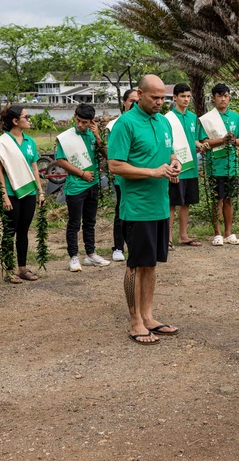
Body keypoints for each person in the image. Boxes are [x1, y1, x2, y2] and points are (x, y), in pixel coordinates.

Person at [107, 75, 181, 345]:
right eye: (155, 97)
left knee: (150, 264)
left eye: (163, 98)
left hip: (160, 205)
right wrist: (152, 172)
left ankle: (148, 317)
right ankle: (135, 321)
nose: (160, 102)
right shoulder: (125, 124)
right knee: (136, 264)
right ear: (140, 94)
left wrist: (175, 162)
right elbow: (115, 166)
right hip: (137, 207)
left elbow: (169, 153)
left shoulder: (163, 122)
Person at [0, 105, 45, 283]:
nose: (29, 120)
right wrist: (4, 195)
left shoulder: (30, 142)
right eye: (26, 117)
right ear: (15, 121)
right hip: (11, 192)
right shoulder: (2, 143)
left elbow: (34, 168)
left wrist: (40, 191)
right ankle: (9, 270)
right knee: (9, 231)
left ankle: (22, 268)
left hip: (29, 191)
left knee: (23, 231)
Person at [56, 103, 111, 272]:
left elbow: (107, 155)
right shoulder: (66, 137)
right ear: (75, 117)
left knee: (90, 221)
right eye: (78, 120)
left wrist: (97, 136)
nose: (80, 125)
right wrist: (81, 173)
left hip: (92, 184)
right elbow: (61, 161)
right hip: (75, 186)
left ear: (91, 122)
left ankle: (91, 254)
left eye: (85, 122)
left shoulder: (93, 135)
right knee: (74, 223)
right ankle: (73, 256)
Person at [197, 82, 239, 246]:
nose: (223, 99)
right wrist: (221, 140)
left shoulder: (236, 117)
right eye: (219, 96)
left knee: (229, 199)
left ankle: (228, 233)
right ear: (213, 98)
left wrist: (233, 140)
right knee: (216, 199)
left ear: (229, 97)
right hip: (215, 165)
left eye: (226, 96)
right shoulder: (207, 119)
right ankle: (217, 233)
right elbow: (204, 142)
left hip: (231, 166)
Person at [166, 83, 204, 247]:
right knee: (172, 204)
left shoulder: (193, 117)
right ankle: (167, 239)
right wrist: (172, 169)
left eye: (188, 96)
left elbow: (194, 139)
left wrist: (201, 145)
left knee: (186, 202)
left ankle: (183, 236)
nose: (186, 99)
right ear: (175, 97)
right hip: (177, 167)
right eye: (183, 96)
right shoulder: (167, 119)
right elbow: (166, 144)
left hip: (191, 167)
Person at [109, 88, 140, 261]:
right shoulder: (117, 124)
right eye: (131, 101)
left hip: (141, 177)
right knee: (121, 212)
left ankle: (136, 246)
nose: (135, 104)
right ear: (124, 103)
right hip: (123, 178)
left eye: (137, 101)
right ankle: (118, 247)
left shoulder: (142, 122)